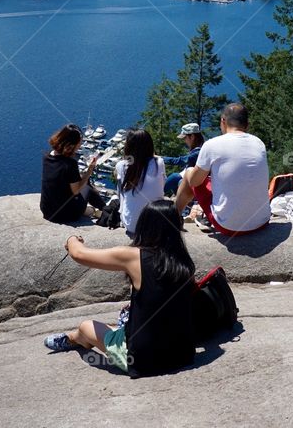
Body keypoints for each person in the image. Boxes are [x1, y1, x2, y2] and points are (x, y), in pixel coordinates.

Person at [43, 200, 195, 377]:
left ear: (145, 226)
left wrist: (72, 240)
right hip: (181, 355)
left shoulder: (133, 256)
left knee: (86, 327)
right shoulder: (184, 262)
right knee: (129, 313)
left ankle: (74, 338)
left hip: (144, 361)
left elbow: (79, 254)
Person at [174, 103, 270, 236]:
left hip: (228, 226)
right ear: (247, 124)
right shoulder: (259, 143)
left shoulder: (212, 145)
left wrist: (192, 173)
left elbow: (195, 182)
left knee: (190, 173)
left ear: (223, 121)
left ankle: (173, 218)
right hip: (262, 221)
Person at [40, 123, 108, 224]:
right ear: (70, 145)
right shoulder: (70, 164)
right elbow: (76, 191)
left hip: (47, 210)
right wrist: (90, 170)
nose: (79, 146)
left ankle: (95, 210)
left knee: (84, 181)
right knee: (87, 187)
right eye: (79, 144)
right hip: (64, 215)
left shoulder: (48, 157)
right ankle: (107, 210)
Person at [115, 129, 166, 238]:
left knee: (121, 184)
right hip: (155, 224)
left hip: (131, 225)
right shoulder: (159, 163)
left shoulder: (122, 166)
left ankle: (121, 211)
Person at [163, 123, 204, 197]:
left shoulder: (198, 152)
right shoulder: (200, 149)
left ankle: (155, 193)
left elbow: (180, 160)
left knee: (175, 177)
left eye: (185, 138)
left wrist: (160, 158)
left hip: (194, 183)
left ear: (192, 136)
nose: (184, 141)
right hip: (194, 181)